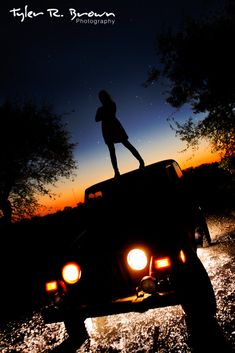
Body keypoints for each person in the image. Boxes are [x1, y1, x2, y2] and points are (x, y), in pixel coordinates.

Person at [95, 90, 145, 177]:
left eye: (102, 97)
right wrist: (104, 115)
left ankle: (141, 161)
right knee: (112, 151)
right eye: (100, 98)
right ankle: (116, 172)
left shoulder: (111, 104)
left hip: (115, 127)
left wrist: (103, 115)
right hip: (107, 129)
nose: (101, 99)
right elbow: (96, 119)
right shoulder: (100, 109)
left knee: (126, 144)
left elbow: (110, 114)